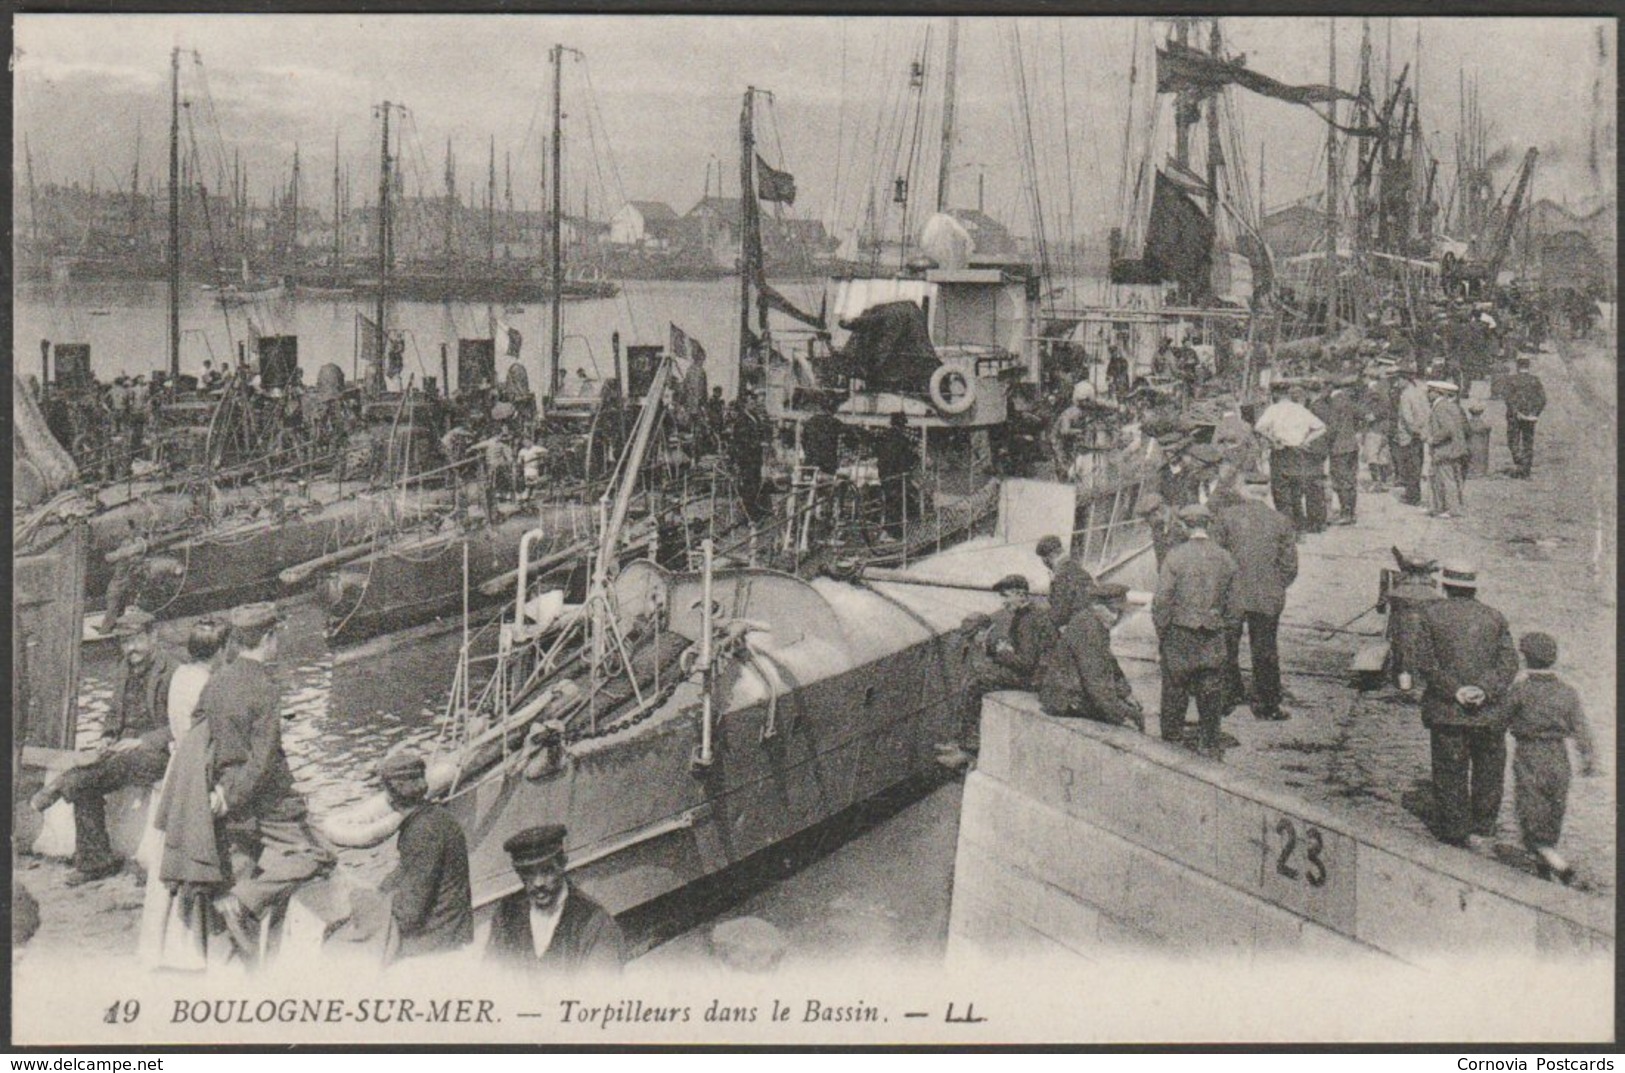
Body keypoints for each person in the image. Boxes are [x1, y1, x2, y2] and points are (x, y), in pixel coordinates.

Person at [202, 602, 336, 957]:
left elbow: (201, 739)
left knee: (242, 862)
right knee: (319, 856)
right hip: (264, 803)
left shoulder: (215, 682)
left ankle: (242, 947)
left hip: (226, 794)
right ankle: (243, 902)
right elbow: (262, 763)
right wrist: (236, 797)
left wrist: (222, 792)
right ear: (268, 637)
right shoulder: (265, 687)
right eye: (276, 635)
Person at [30, 608, 175, 885]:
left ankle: (56, 788)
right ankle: (96, 860)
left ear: (153, 635)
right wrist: (108, 736)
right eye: (124, 642)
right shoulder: (125, 668)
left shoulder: (173, 670)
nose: (129, 648)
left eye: (135, 639)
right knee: (83, 782)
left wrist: (142, 741)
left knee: (85, 776)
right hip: (124, 752)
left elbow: (183, 724)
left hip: (158, 754)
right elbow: (113, 713)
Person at [137, 616, 230, 970]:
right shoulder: (210, 684)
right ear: (220, 650)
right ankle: (186, 950)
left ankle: (154, 948)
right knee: (192, 857)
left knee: (166, 862)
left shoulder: (180, 676)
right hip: (193, 774)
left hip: (175, 769)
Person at [1409, 562, 1521, 848]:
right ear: (1474, 587)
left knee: (1449, 770)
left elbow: (1425, 662)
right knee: (1489, 770)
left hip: (1447, 711)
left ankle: (1455, 830)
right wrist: (1484, 690)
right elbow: (1508, 663)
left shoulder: (1430, 615)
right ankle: (1483, 826)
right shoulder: (1495, 617)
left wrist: (1455, 691)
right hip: (1488, 713)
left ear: (1445, 585)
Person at [1504, 632, 1596, 884]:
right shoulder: (1567, 692)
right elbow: (1581, 729)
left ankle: (1562, 868)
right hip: (1559, 756)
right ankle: (1544, 866)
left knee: (1530, 809)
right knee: (1554, 810)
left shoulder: (1520, 691)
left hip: (1530, 754)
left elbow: (1499, 720)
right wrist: (1588, 758)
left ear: (1525, 659)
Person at [941, 573, 1058, 771]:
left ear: (1020, 595)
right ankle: (961, 742)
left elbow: (1026, 664)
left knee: (976, 683)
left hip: (1035, 679)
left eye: (1005, 596)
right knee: (979, 676)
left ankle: (968, 748)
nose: (1003, 603)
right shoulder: (1027, 616)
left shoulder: (1028, 620)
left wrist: (998, 652)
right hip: (1038, 674)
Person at [1151, 504, 1239, 758]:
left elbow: (1161, 602)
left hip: (1180, 633)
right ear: (1208, 525)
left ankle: (1170, 746)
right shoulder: (1225, 558)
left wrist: (1163, 634)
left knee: (1174, 692)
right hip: (1212, 634)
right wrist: (1225, 632)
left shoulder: (1174, 556)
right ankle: (1209, 745)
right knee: (1210, 692)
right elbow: (1234, 607)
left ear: (1185, 525)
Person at [485, 824, 626, 974]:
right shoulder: (506, 914)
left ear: (562, 864)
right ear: (519, 873)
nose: (538, 883)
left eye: (547, 870)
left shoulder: (594, 923)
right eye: (529, 873)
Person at [376, 750, 474, 960]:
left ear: (393, 794)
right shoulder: (436, 816)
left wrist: (378, 908)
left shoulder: (421, 832)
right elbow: (408, 870)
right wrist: (382, 891)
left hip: (439, 939)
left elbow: (410, 913)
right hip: (450, 926)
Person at [1210, 488, 1298, 721]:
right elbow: (1290, 566)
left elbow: (1216, 558)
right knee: (1266, 650)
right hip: (1266, 596)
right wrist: (1275, 585)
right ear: (1266, 492)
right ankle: (1268, 704)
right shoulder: (1281, 521)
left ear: (1244, 491)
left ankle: (1227, 696)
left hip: (1232, 595)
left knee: (1226, 647)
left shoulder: (1226, 517)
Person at [1037, 583, 1143, 729]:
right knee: (1135, 717)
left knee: (1132, 709)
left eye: (1121, 612)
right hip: (1067, 699)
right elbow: (1096, 681)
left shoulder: (1093, 622)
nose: (1118, 617)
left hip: (1072, 693)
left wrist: (1126, 693)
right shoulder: (1089, 629)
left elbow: (1110, 665)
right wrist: (1120, 715)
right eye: (1115, 611)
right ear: (1100, 607)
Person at [1253, 382, 1326, 533]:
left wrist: (1272, 439)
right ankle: (1299, 527)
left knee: (1281, 492)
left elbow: (1258, 427)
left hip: (1281, 451)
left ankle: (1287, 528)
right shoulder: (1300, 409)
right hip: (1298, 452)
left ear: (1275, 394)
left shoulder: (1273, 409)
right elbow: (1321, 427)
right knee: (1296, 490)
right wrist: (1306, 440)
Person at [1323, 380, 1365, 525]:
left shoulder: (1334, 403)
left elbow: (1333, 428)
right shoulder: (1348, 401)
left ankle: (1345, 513)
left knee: (1340, 481)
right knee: (1351, 480)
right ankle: (1351, 512)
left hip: (1338, 448)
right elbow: (1362, 414)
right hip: (1352, 446)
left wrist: (1324, 441)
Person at [1426, 380, 1469, 519]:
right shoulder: (1451, 406)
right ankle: (1443, 507)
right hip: (1454, 449)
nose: (1428, 394)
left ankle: (1452, 509)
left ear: (1439, 393)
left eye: (1430, 391)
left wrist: (1433, 439)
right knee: (1449, 479)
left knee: (1446, 479)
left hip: (1445, 450)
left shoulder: (1440, 408)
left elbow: (1447, 429)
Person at [1501, 356, 1547, 478]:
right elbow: (1542, 399)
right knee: (1528, 442)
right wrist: (1534, 413)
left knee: (1513, 441)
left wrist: (1516, 412)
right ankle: (1526, 470)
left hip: (1514, 417)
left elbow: (1508, 399)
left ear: (1517, 366)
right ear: (1528, 366)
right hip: (1530, 417)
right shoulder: (1535, 380)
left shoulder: (1511, 380)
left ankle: (1519, 462)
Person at [875, 411, 918, 539]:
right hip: (897, 477)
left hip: (884, 476)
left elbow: (880, 456)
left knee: (889, 502)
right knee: (896, 503)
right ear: (902, 425)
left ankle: (889, 530)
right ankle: (892, 531)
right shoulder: (902, 440)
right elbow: (907, 459)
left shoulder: (883, 437)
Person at [1036, 534, 1093, 630]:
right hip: (1089, 621)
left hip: (1078, 628)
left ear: (1048, 557)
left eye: (1044, 560)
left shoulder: (1061, 575)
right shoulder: (1076, 567)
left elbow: (1059, 615)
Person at [1394, 368, 1431, 506]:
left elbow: (1407, 418)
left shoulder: (1405, 395)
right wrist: (1423, 431)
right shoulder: (1420, 392)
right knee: (1417, 465)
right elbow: (1427, 412)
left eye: (1398, 380)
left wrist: (1414, 431)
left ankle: (1412, 496)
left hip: (1409, 436)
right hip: (1420, 434)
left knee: (1410, 467)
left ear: (1405, 380)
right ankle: (1415, 494)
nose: (1397, 383)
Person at [801, 397, 843, 477]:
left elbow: (803, 441)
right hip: (827, 463)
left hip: (810, 461)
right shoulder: (835, 423)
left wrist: (808, 452)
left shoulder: (810, 422)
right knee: (826, 485)